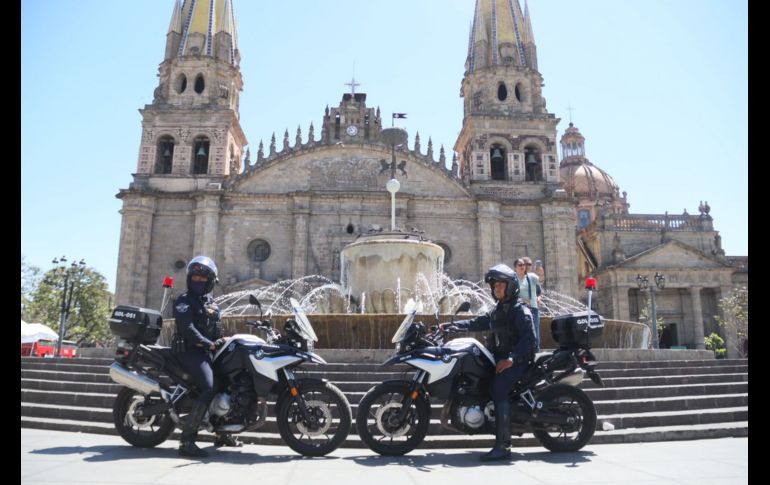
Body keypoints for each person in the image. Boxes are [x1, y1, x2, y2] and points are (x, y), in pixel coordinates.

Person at [440, 263, 536, 461]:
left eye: (501, 285)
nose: (496, 288)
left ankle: (503, 446)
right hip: (501, 358)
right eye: (494, 286)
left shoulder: (519, 310)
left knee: (498, 390)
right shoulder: (498, 310)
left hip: (517, 361)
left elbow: (530, 340)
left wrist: (511, 359)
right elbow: (476, 322)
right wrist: (449, 326)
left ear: (511, 287)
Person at [172, 255, 241, 458]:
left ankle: (222, 433)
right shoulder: (184, 301)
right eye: (195, 278)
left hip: (206, 351)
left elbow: (217, 330)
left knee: (230, 381)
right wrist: (208, 343)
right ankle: (187, 439)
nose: (198, 282)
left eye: (203, 279)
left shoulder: (211, 304)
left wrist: (223, 341)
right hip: (190, 352)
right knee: (210, 387)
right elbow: (188, 329)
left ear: (210, 281)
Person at [515, 257, 542, 351]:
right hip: (521, 309)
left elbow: (539, 289)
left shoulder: (532, 277)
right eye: (522, 265)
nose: (527, 266)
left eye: (530, 264)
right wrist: (522, 300)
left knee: (535, 332)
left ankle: (536, 352)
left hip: (533, 308)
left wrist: (541, 272)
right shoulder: (514, 278)